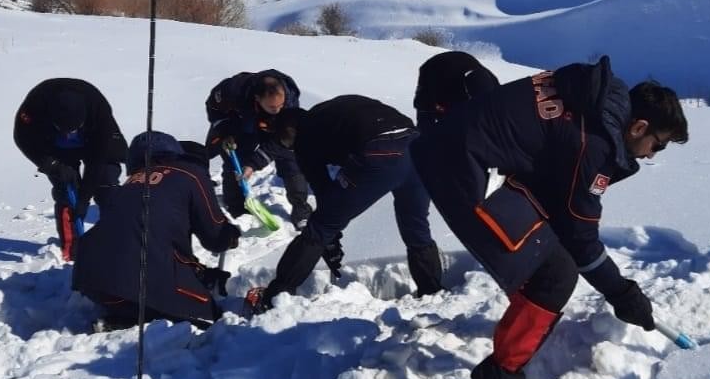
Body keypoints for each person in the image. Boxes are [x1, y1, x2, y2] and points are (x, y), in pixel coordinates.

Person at [410, 56, 688, 379]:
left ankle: (522, 319)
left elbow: (558, 190)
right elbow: (581, 238)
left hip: (463, 151)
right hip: (459, 169)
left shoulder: (594, 99)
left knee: (549, 247)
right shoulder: (594, 144)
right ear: (638, 127)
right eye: (657, 144)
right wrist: (622, 293)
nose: (652, 155)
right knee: (556, 273)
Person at [246, 95, 443, 314]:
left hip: (380, 153)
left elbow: (324, 192)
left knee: (318, 229)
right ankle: (433, 293)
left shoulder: (305, 139)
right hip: (417, 147)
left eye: (287, 143)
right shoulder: (328, 111)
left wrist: (329, 238)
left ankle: (274, 298)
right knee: (416, 227)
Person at [72, 131, 241, 328]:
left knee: (143, 300)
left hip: (91, 281)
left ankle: (123, 319)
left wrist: (202, 273)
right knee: (209, 316)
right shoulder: (191, 174)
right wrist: (230, 235)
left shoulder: (127, 185)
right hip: (139, 280)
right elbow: (215, 238)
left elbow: (147, 241)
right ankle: (128, 320)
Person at [13, 78, 128, 261]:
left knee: (106, 184)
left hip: (95, 141)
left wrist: (84, 198)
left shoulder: (99, 110)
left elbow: (98, 159)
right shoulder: (35, 106)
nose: (69, 135)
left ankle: (118, 244)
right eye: (64, 130)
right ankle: (73, 251)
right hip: (55, 146)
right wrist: (52, 165)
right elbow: (23, 138)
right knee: (67, 192)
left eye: (73, 130)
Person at [205, 70, 312, 227]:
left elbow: (281, 143)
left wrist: (254, 164)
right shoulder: (234, 90)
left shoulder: (289, 102)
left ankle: (301, 210)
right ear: (257, 98)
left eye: (280, 105)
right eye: (272, 106)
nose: (277, 110)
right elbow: (214, 107)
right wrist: (225, 131)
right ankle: (236, 206)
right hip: (243, 121)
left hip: (276, 126)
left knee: (290, 161)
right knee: (235, 159)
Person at [413, 50, 500, 127]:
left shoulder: (494, 90)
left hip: (464, 65)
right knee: (433, 117)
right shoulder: (442, 85)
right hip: (436, 67)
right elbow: (423, 106)